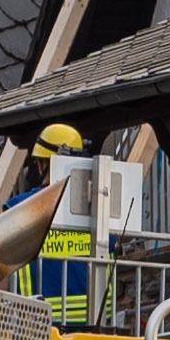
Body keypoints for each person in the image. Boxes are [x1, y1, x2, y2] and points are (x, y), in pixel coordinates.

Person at [28, 121, 105, 315]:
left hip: (37, 319)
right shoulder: (101, 209)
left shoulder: (22, 207)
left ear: (43, 164)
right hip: (97, 319)